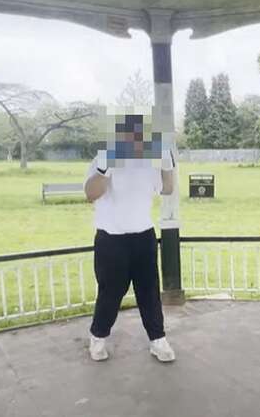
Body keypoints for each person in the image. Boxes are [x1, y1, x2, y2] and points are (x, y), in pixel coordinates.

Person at [83, 119, 177, 363]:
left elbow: (167, 188)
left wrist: (167, 164)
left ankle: (158, 339)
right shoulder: (102, 159)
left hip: (143, 236)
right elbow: (90, 194)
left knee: (149, 291)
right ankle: (98, 336)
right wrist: (105, 169)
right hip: (111, 238)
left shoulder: (148, 162)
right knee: (110, 292)